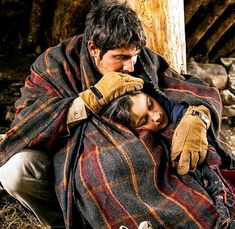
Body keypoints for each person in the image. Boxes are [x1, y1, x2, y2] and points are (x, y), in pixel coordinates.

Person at [0, 1, 233, 228]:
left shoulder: (139, 59)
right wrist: (92, 99)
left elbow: (182, 90)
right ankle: (67, 220)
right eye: (121, 58)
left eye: (134, 55)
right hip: (66, 148)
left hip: (133, 145)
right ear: (94, 49)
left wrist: (197, 118)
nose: (131, 66)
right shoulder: (54, 65)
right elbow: (28, 122)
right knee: (15, 171)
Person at [101, 90, 235, 228]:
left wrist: (196, 118)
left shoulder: (169, 103)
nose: (156, 116)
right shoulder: (141, 145)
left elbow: (196, 103)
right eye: (144, 120)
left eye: (150, 104)